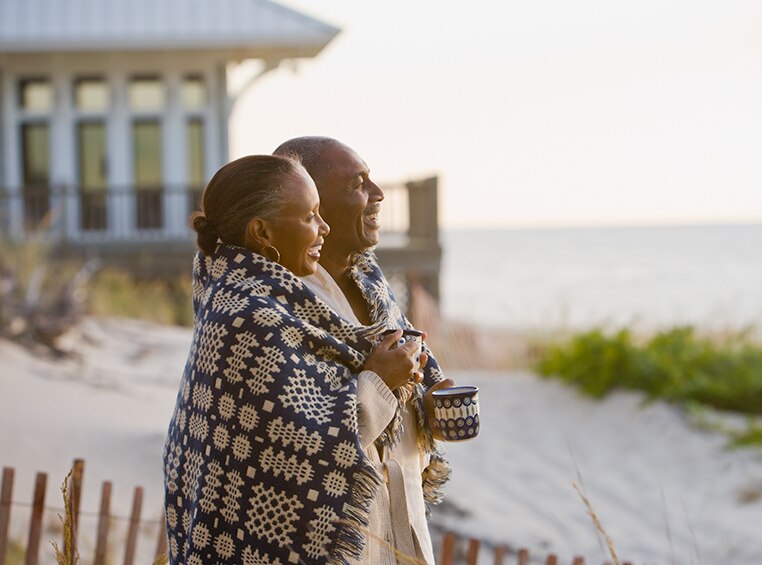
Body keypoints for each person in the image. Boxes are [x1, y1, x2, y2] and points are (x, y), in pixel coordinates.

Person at [162, 154, 425, 564]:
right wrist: (377, 380)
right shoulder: (247, 315)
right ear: (262, 231)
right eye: (310, 216)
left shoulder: (277, 300)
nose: (324, 228)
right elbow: (308, 445)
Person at [274, 137, 455, 565]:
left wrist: (427, 401)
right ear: (310, 199)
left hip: (402, 524)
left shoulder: (372, 280)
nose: (378, 195)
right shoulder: (276, 305)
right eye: (358, 183)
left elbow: (403, 368)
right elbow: (297, 442)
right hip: (338, 542)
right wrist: (378, 381)